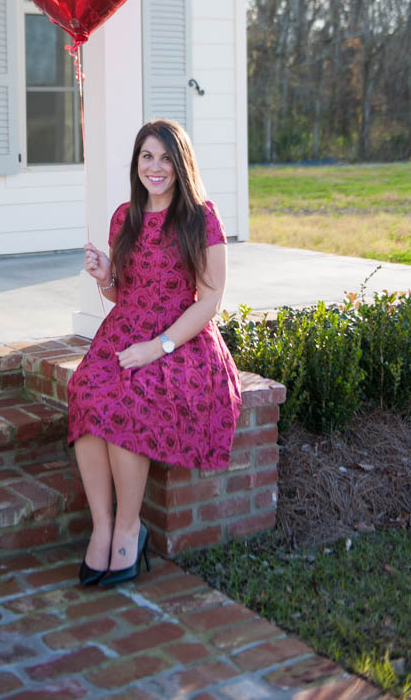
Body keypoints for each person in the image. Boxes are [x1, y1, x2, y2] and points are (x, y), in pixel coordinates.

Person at [67, 119, 242, 587]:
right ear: (136, 164)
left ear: (180, 163)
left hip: (180, 341)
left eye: (166, 157)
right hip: (126, 331)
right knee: (86, 389)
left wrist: (155, 348)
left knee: (130, 397)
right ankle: (102, 528)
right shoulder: (124, 216)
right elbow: (123, 293)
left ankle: (130, 528)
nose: (156, 167)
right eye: (147, 156)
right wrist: (105, 275)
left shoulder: (201, 217)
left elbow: (210, 300)